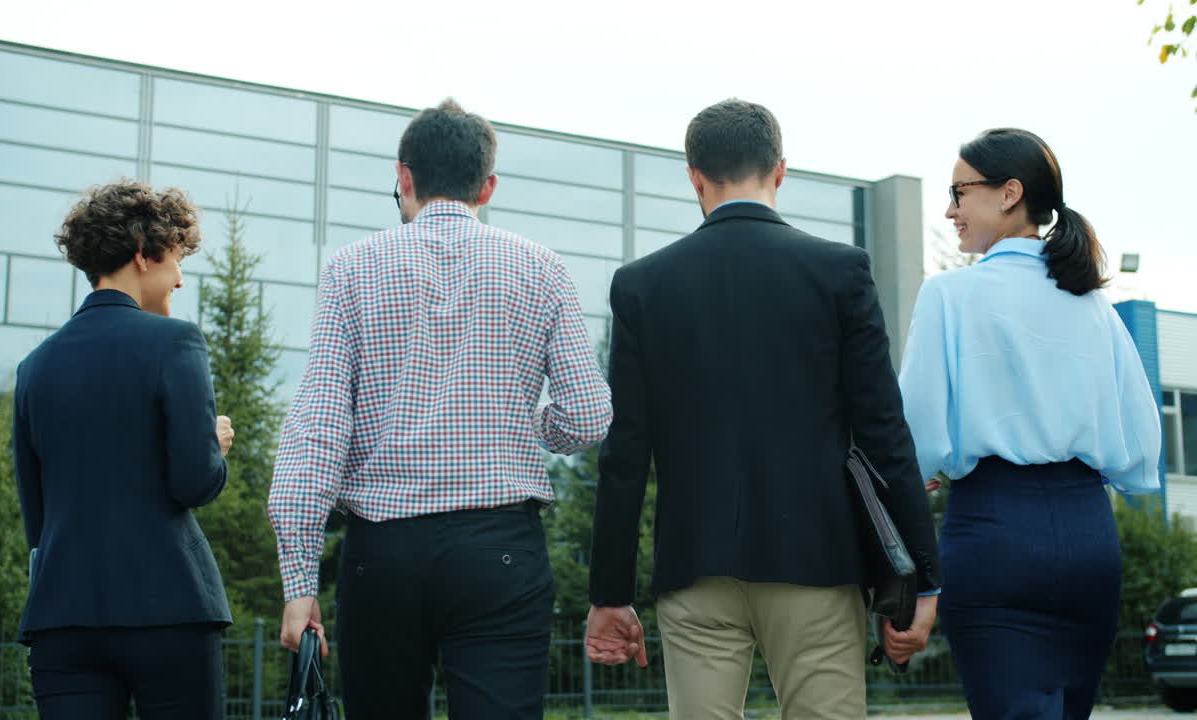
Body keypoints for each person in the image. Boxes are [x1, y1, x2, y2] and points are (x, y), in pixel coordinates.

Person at [584, 98, 942, 719]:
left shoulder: (642, 285)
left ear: (694, 177)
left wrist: (610, 593)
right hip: (818, 561)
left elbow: (625, 454)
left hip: (695, 566)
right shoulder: (840, 272)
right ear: (780, 170)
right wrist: (923, 577)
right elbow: (885, 434)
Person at [268, 98, 612, 720]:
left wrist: (299, 583)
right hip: (499, 550)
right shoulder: (542, 268)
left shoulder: (349, 269)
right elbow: (587, 416)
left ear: (404, 177)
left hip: (384, 554)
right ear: (488, 187)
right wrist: (530, 423)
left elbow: (318, 431)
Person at [899, 128, 1162, 719]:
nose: (950, 210)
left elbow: (914, 432)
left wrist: (918, 475)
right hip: (1089, 533)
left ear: (1010, 193)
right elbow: (1141, 449)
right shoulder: (1093, 304)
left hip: (994, 532)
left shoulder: (949, 295)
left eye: (958, 192)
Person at [14, 181, 235, 720]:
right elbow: (194, 482)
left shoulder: (33, 367)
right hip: (170, 608)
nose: (179, 278)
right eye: (176, 260)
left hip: (62, 618)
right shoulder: (176, 341)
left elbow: (37, 519)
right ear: (142, 253)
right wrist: (213, 445)